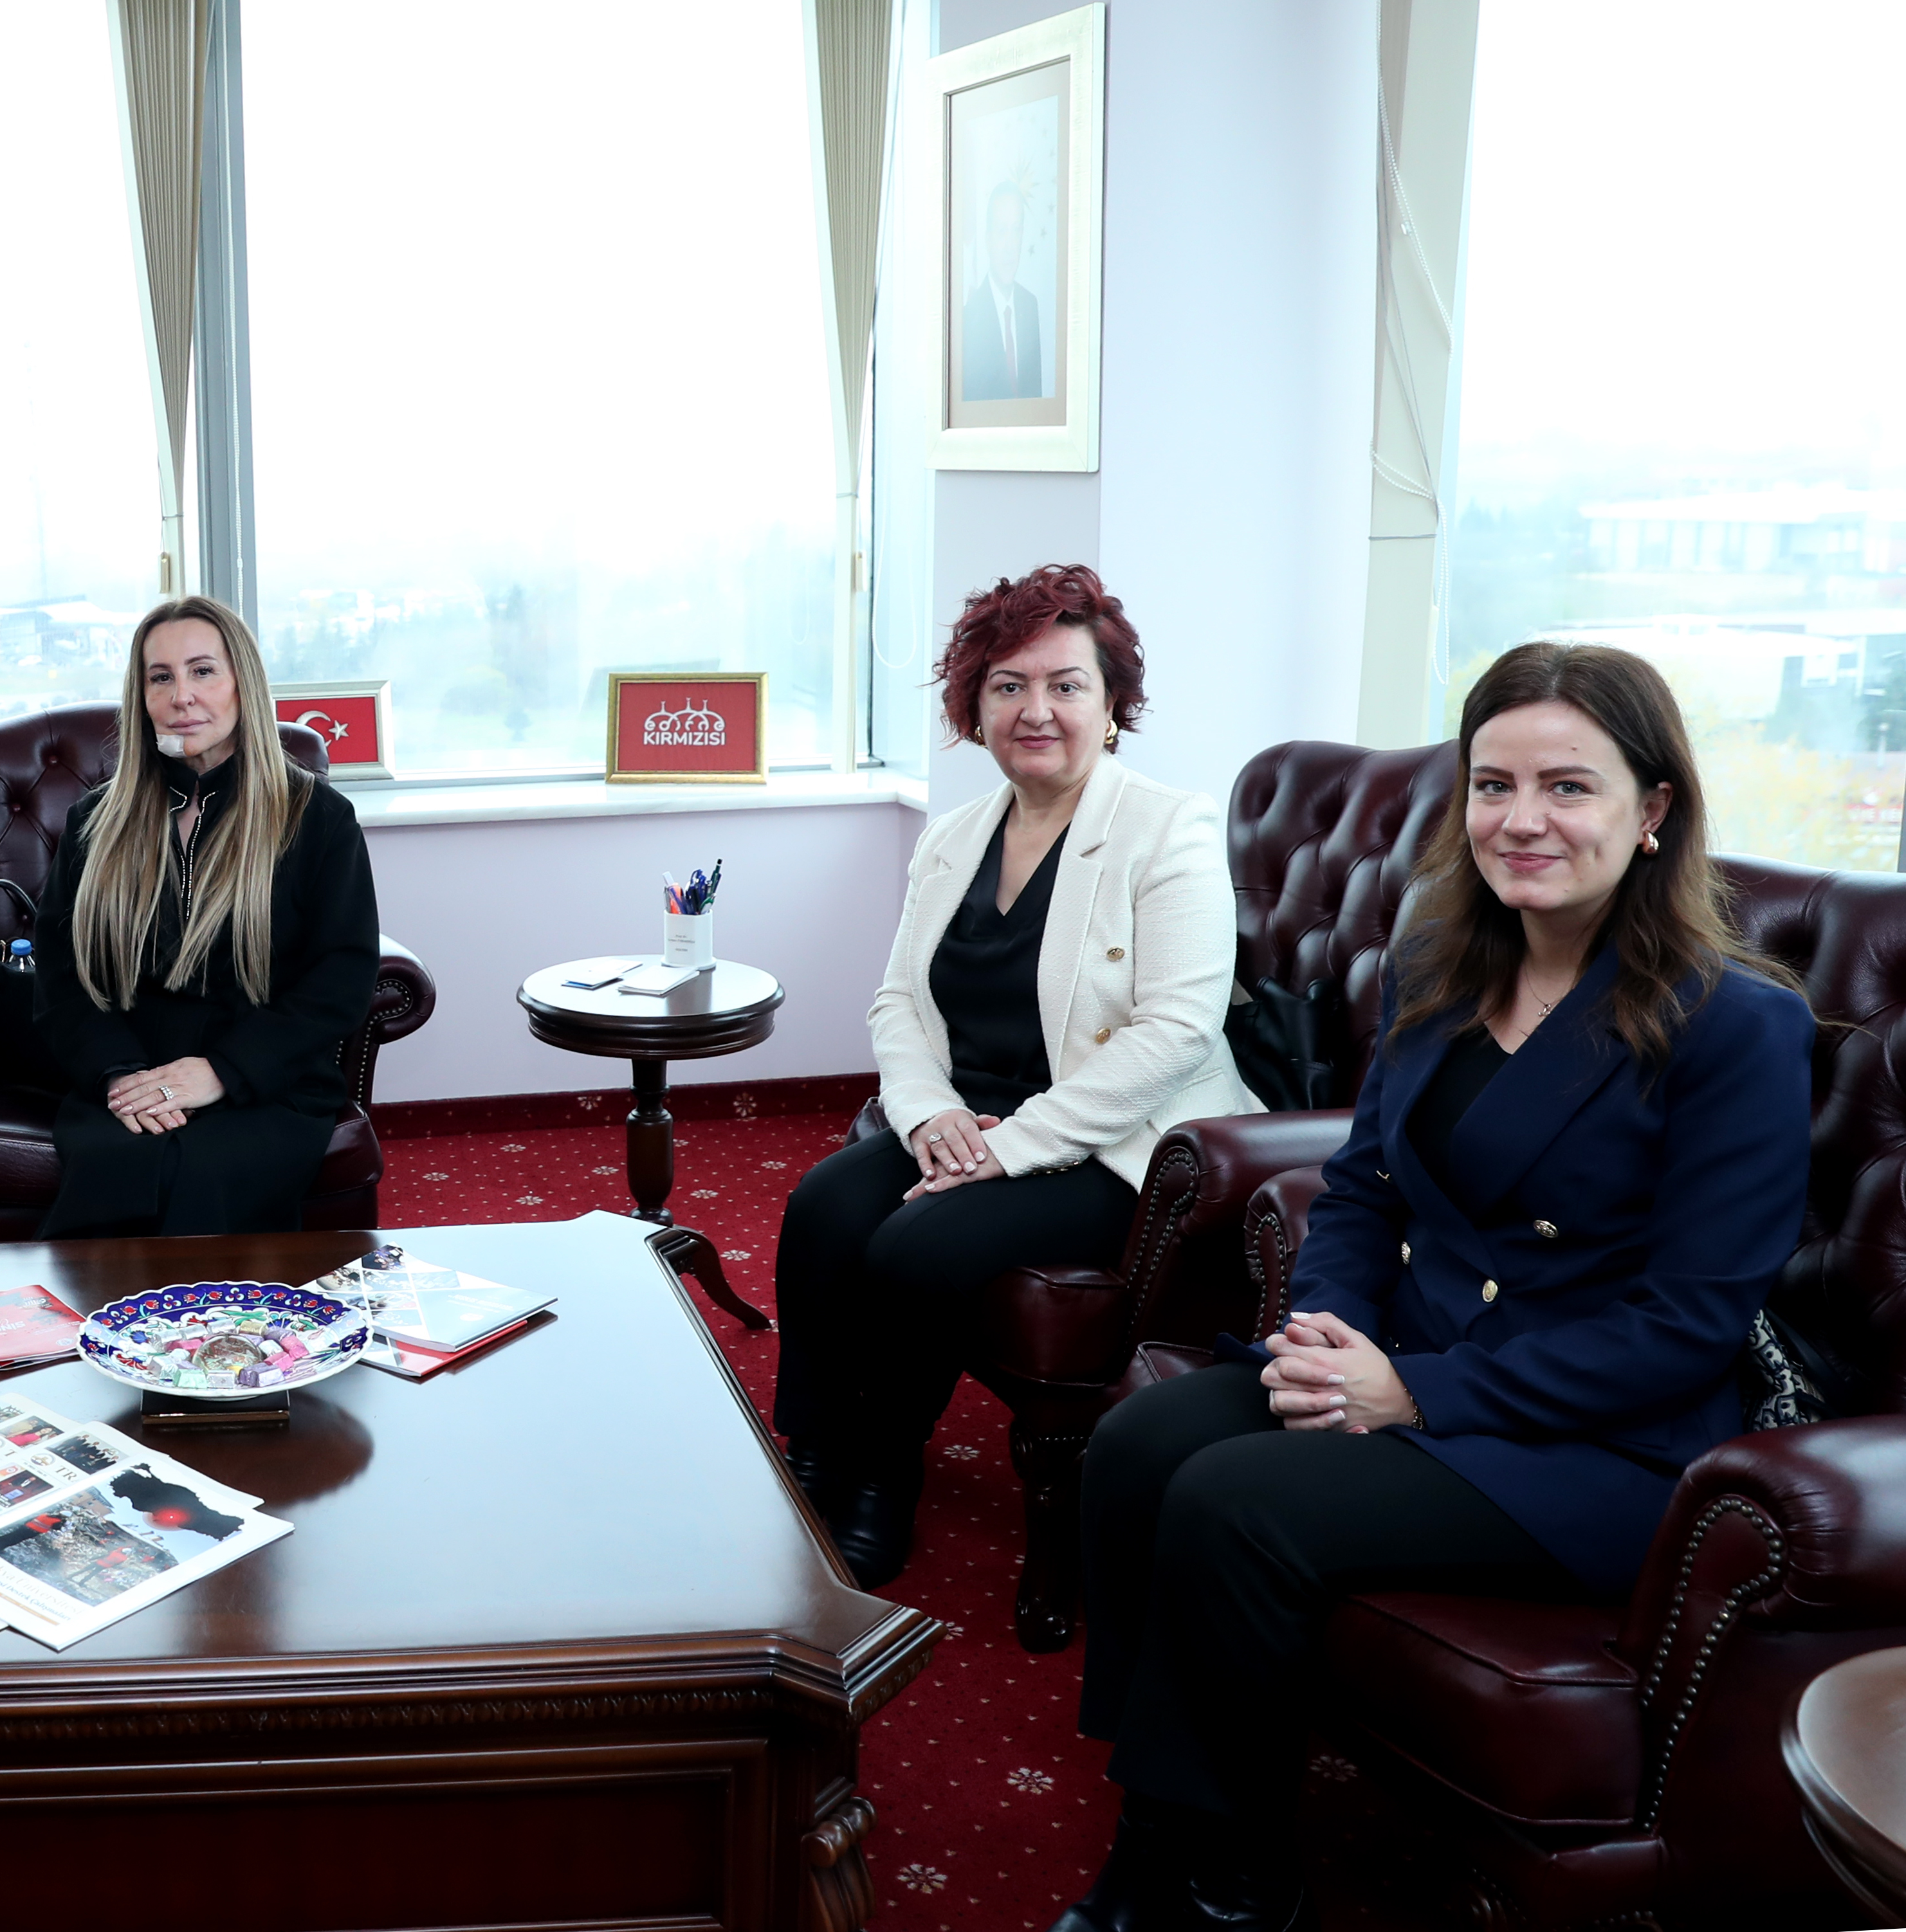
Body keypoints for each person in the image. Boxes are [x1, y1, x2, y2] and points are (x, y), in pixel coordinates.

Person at [1052, 642, 1815, 1932]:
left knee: (1239, 1499)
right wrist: (1325, 1332)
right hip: (1403, 1354)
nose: (1522, 819)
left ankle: (1222, 1877)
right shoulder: (1440, 962)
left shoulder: (1734, 1024)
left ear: (1656, 812)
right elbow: (1363, 1188)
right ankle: (1170, 1811)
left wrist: (1412, 1386)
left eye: (1569, 787)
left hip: (1603, 1435)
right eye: (1493, 782)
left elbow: (1686, 1324)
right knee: (1135, 1444)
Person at [771, 565, 1255, 1589]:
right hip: (970, 1117)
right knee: (821, 1207)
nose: (1037, 711)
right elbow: (899, 1004)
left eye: (1067, 685)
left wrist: (1007, 1147)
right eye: (1007, 686)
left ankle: (878, 1478)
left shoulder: (1168, 828)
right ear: (974, 706)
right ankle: (807, 1453)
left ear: (1113, 704)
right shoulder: (954, 838)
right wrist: (932, 1113)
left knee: (915, 1247)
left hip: (1118, 1139)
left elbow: (1175, 1032)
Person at [32, 594, 377, 1236]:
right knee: (121, 1164)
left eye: (202, 671)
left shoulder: (318, 817)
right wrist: (122, 1075)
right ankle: (90, 1335)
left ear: (242, 684)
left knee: (204, 1171)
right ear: (142, 698)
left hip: (266, 1081)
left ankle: (227, 1339)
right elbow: (61, 975)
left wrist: (223, 1072)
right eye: (161, 677)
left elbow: (342, 976)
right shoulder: (94, 822)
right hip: (127, 1075)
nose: (182, 695)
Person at [961, 181, 1048, 401]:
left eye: (1016, 230)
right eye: (1002, 231)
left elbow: (1034, 403)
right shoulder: (968, 317)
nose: (1010, 245)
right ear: (988, 240)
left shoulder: (1030, 306)